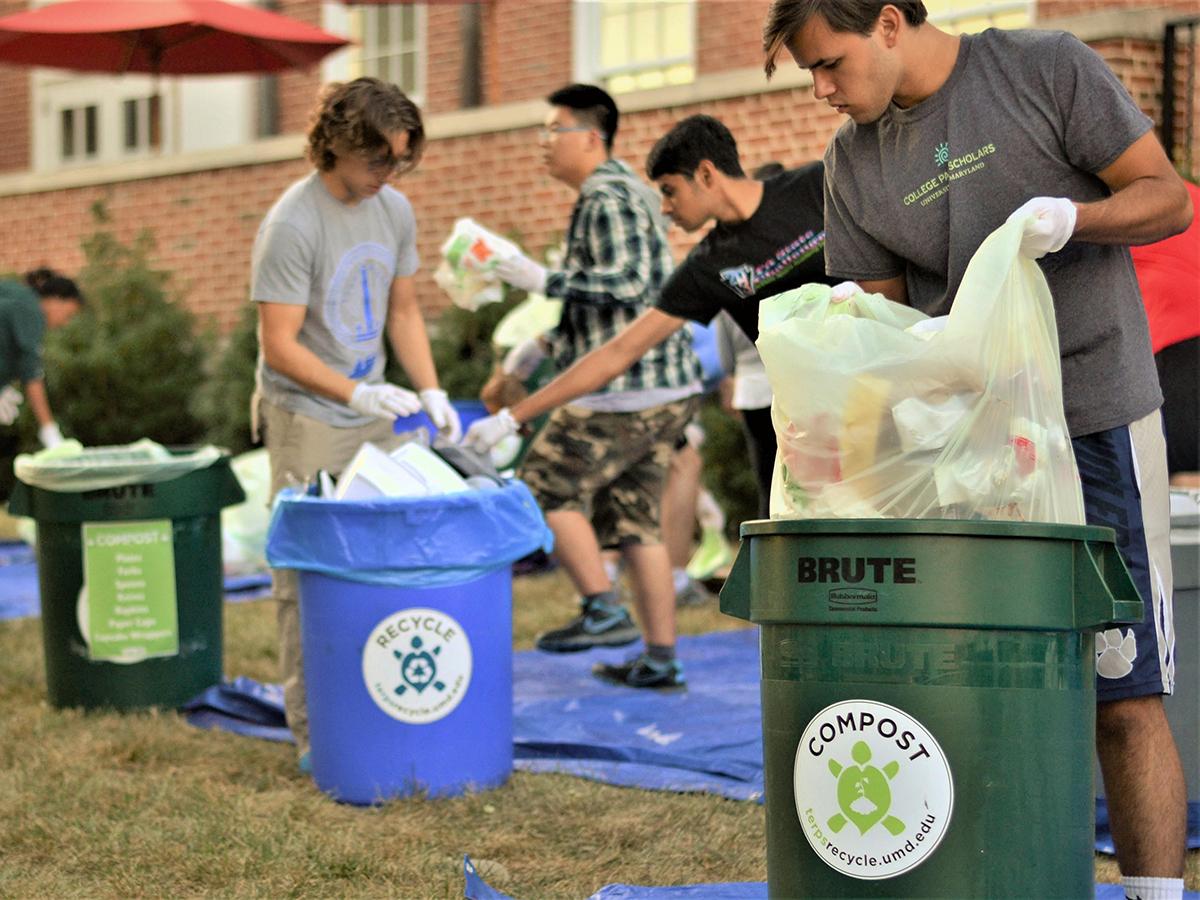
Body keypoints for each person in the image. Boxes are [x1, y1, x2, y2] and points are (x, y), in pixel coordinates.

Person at [761, 2, 1193, 894]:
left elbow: (1167, 198)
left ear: (887, 22)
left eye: (830, 64)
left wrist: (1073, 220)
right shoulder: (853, 161)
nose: (822, 90)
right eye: (809, 73)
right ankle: (1004, 877)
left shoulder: (1043, 68)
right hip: (969, 444)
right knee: (983, 680)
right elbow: (882, 323)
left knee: (1124, 689)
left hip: (1094, 415)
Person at [465, 113, 836, 677]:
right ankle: (788, 668)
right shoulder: (707, 266)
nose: (664, 208)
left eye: (669, 191)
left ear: (706, 174)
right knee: (800, 545)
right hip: (811, 416)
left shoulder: (815, 185)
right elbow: (616, 353)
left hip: (884, 387)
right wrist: (517, 415)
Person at [251, 77, 461, 765]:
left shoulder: (393, 210)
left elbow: (402, 310)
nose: (390, 174)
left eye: (400, 160)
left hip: (367, 404)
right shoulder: (293, 223)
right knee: (306, 574)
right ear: (337, 146)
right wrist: (353, 392)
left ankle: (380, 701)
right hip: (307, 413)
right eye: (379, 160)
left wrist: (429, 392)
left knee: (389, 552)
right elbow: (277, 344)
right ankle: (316, 736)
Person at [470, 83, 704, 690]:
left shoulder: (607, 194)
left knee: (542, 484)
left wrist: (540, 277)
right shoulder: (615, 193)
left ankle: (602, 610)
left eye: (554, 130)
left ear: (590, 137)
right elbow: (614, 305)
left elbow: (628, 285)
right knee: (635, 523)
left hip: (626, 389)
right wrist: (538, 348)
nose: (543, 144)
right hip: (661, 389)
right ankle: (659, 658)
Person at [1130, 179, 1199, 486]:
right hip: (1181, 331)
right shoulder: (1184, 193)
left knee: (1180, 473)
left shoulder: (1103, 203)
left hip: (1172, 339)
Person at [0, 268, 84, 454]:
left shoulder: (16, 294)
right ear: (56, 299)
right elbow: (31, 375)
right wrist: (49, 430)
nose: (65, 323)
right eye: (68, 315)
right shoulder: (32, 312)